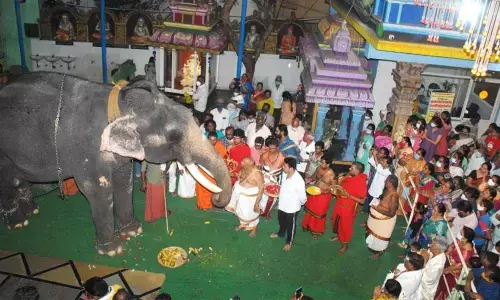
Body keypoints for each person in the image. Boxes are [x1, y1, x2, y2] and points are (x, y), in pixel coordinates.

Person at [330, 162, 368, 254]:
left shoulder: (361, 182)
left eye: (352, 168)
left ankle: (345, 245)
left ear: (357, 170)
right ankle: (339, 236)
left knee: (346, 227)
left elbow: (362, 201)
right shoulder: (350, 177)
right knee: (336, 221)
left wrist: (349, 196)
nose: (349, 169)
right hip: (340, 204)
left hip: (348, 208)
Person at [270, 158, 307, 251]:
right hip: (282, 204)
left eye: (285, 166)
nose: (283, 167)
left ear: (291, 168)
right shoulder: (285, 174)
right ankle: (281, 233)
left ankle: (289, 242)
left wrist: (299, 205)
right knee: (281, 220)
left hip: (292, 208)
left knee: (291, 225)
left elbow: (303, 198)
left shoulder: (299, 181)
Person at [226, 157, 265, 237]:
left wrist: (257, 204)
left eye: (244, 163)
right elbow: (240, 178)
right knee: (240, 211)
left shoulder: (258, 174)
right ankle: (243, 223)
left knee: (252, 213)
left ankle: (254, 228)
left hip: (252, 198)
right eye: (242, 162)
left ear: (250, 164)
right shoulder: (244, 169)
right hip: (241, 195)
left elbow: (261, 189)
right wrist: (232, 174)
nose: (241, 164)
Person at [435, 227, 476, 299]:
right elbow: (451, 247)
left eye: (461, 233)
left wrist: (446, 270)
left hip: (452, 271)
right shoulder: (460, 241)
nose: (459, 234)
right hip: (447, 264)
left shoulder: (467, 250)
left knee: (444, 288)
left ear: (465, 236)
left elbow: (459, 265)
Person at [366, 175, 399, 259]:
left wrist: (377, 208)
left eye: (386, 181)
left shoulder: (394, 196)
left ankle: (381, 251)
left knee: (381, 237)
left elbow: (391, 213)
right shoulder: (387, 189)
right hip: (379, 216)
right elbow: (381, 198)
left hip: (386, 220)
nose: (385, 181)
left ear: (391, 183)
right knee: (374, 232)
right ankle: (372, 244)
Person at [302, 157, 335, 238]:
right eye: (321, 162)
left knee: (319, 214)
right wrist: (308, 180)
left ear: (328, 164)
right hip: (314, 191)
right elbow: (314, 177)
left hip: (324, 196)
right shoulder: (318, 168)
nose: (321, 164)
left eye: (323, 163)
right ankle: (307, 225)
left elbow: (333, 189)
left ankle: (317, 231)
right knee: (310, 210)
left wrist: (323, 191)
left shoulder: (332, 175)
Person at [195, 132, 227, 210]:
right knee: (200, 188)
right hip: (202, 170)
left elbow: (224, 160)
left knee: (209, 188)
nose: (212, 142)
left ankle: (208, 205)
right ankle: (200, 204)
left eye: (214, 140)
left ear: (217, 140)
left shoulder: (221, 148)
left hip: (213, 172)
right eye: (210, 140)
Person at [259, 139, 285, 218]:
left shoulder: (282, 158)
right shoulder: (264, 155)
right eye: (269, 148)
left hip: (275, 179)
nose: (270, 150)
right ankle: (261, 209)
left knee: (272, 197)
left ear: (277, 148)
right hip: (264, 177)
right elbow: (260, 167)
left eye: (273, 148)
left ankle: (268, 211)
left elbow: (285, 170)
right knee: (262, 195)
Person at [363, 149, 393, 213]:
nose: (381, 162)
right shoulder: (380, 167)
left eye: (383, 161)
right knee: (369, 204)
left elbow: (378, 167)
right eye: (382, 161)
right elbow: (372, 161)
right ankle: (367, 215)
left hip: (378, 193)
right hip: (372, 189)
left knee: (374, 209)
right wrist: (372, 153)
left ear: (388, 164)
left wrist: (375, 155)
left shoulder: (388, 173)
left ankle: (369, 221)